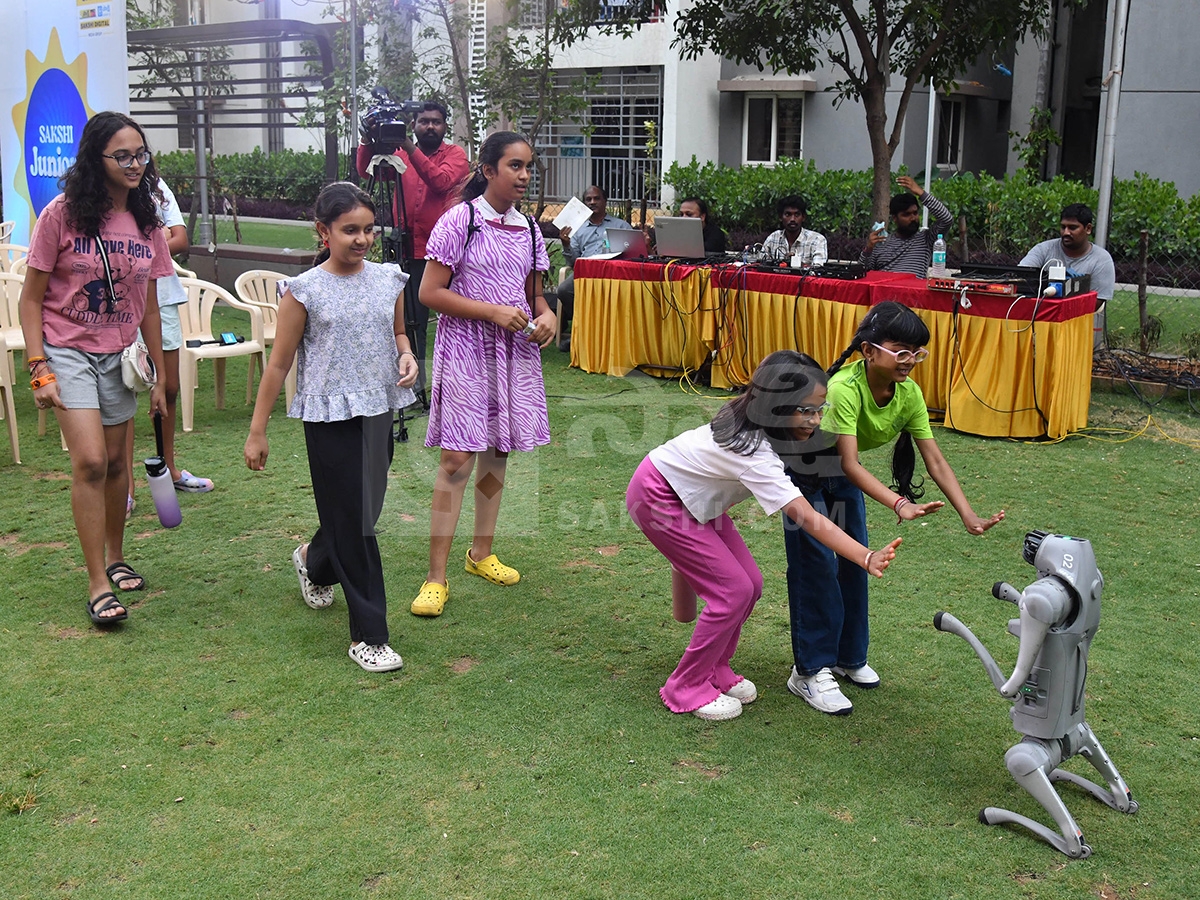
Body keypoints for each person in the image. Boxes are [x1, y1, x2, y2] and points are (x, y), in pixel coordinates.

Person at [627, 350, 900, 721]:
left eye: (821, 408)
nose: (816, 419)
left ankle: (716, 669)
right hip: (660, 497)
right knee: (732, 591)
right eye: (806, 410)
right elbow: (804, 514)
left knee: (751, 584)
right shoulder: (753, 450)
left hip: (689, 496)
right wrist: (864, 556)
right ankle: (685, 685)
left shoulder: (756, 417)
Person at [782, 301, 1004, 715]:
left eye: (916, 352)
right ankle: (809, 671)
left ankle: (849, 659)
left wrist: (967, 514)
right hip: (802, 471)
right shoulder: (846, 388)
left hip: (843, 475)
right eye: (900, 350)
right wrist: (899, 504)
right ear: (868, 351)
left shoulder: (909, 393)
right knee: (816, 566)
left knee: (856, 565)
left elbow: (934, 459)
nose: (910, 360)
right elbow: (849, 463)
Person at [244, 182, 419, 673]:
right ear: (323, 232)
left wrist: (406, 355)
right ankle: (370, 635)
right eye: (349, 230)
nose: (361, 239)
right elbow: (278, 366)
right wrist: (258, 432)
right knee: (357, 524)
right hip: (327, 417)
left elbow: (399, 333)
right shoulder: (303, 290)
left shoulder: (389, 280)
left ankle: (313, 560)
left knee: (360, 512)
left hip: (378, 409)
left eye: (368, 229)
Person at [19, 110, 171, 626]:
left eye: (140, 154)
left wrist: (159, 372)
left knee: (115, 462)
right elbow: (31, 299)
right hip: (67, 348)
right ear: (96, 158)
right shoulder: (60, 215)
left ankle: (115, 554)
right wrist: (39, 366)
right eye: (121, 155)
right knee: (88, 461)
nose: (133, 164)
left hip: (123, 354)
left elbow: (148, 303)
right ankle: (97, 582)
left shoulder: (147, 221)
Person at [410, 131, 556, 618]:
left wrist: (548, 315)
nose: (524, 175)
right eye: (515, 166)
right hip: (467, 349)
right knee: (456, 460)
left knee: (497, 452)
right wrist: (491, 311)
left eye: (528, 166)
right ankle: (435, 577)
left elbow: (536, 295)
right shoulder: (460, 220)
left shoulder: (533, 230)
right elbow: (430, 292)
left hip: (513, 352)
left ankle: (481, 553)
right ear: (488, 170)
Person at [356, 100, 469, 403]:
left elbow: (441, 182)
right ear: (415, 124)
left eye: (436, 121)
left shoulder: (455, 155)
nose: (429, 126)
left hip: (444, 253)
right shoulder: (399, 155)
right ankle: (417, 389)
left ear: (445, 126)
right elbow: (369, 173)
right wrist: (368, 140)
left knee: (454, 323)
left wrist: (407, 143)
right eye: (423, 121)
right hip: (405, 246)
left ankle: (460, 387)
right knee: (409, 323)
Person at [123, 177, 213, 520]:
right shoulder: (100, 192)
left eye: (139, 154)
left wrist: (141, 241)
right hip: (123, 303)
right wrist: (141, 241)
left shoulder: (155, 188)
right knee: (125, 395)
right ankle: (126, 486)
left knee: (169, 388)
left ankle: (171, 470)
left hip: (162, 298)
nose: (133, 162)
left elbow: (179, 238)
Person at [1020, 203, 1116, 349]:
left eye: (1072, 227)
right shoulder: (1044, 249)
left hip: (1078, 334)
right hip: (1040, 329)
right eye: (1063, 227)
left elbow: (1096, 302)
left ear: (1088, 229)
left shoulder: (1101, 259)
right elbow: (1021, 277)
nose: (1066, 232)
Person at [555, 185, 630, 351]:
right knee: (564, 290)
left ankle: (613, 337)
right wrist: (566, 244)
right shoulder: (577, 229)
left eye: (596, 198)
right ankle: (581, 333)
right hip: (586, 274)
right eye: (588, 199)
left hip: (613, 275)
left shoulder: (621, 226)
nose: (592, 202)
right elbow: (572, 263)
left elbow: (632, 254)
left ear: (605, 201)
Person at [858, 175, 955, 275]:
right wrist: (868, 249)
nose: (913, 218)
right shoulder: (881, 243)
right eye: (906, 215)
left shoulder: (926, 239)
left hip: (913, 290)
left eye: (915, 213)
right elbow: (861, 273)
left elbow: (946, 219)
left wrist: (921, 193)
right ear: (895, 218)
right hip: (886, 288)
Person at [761, 195, 826, 266]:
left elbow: (819, 269)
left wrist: (796, 263)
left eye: (797, 215)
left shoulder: (817, 240)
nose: (792, 219)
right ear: (780, 217)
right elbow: (760, 264)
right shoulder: (773, 238)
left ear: (803, 217)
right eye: (788, 214)